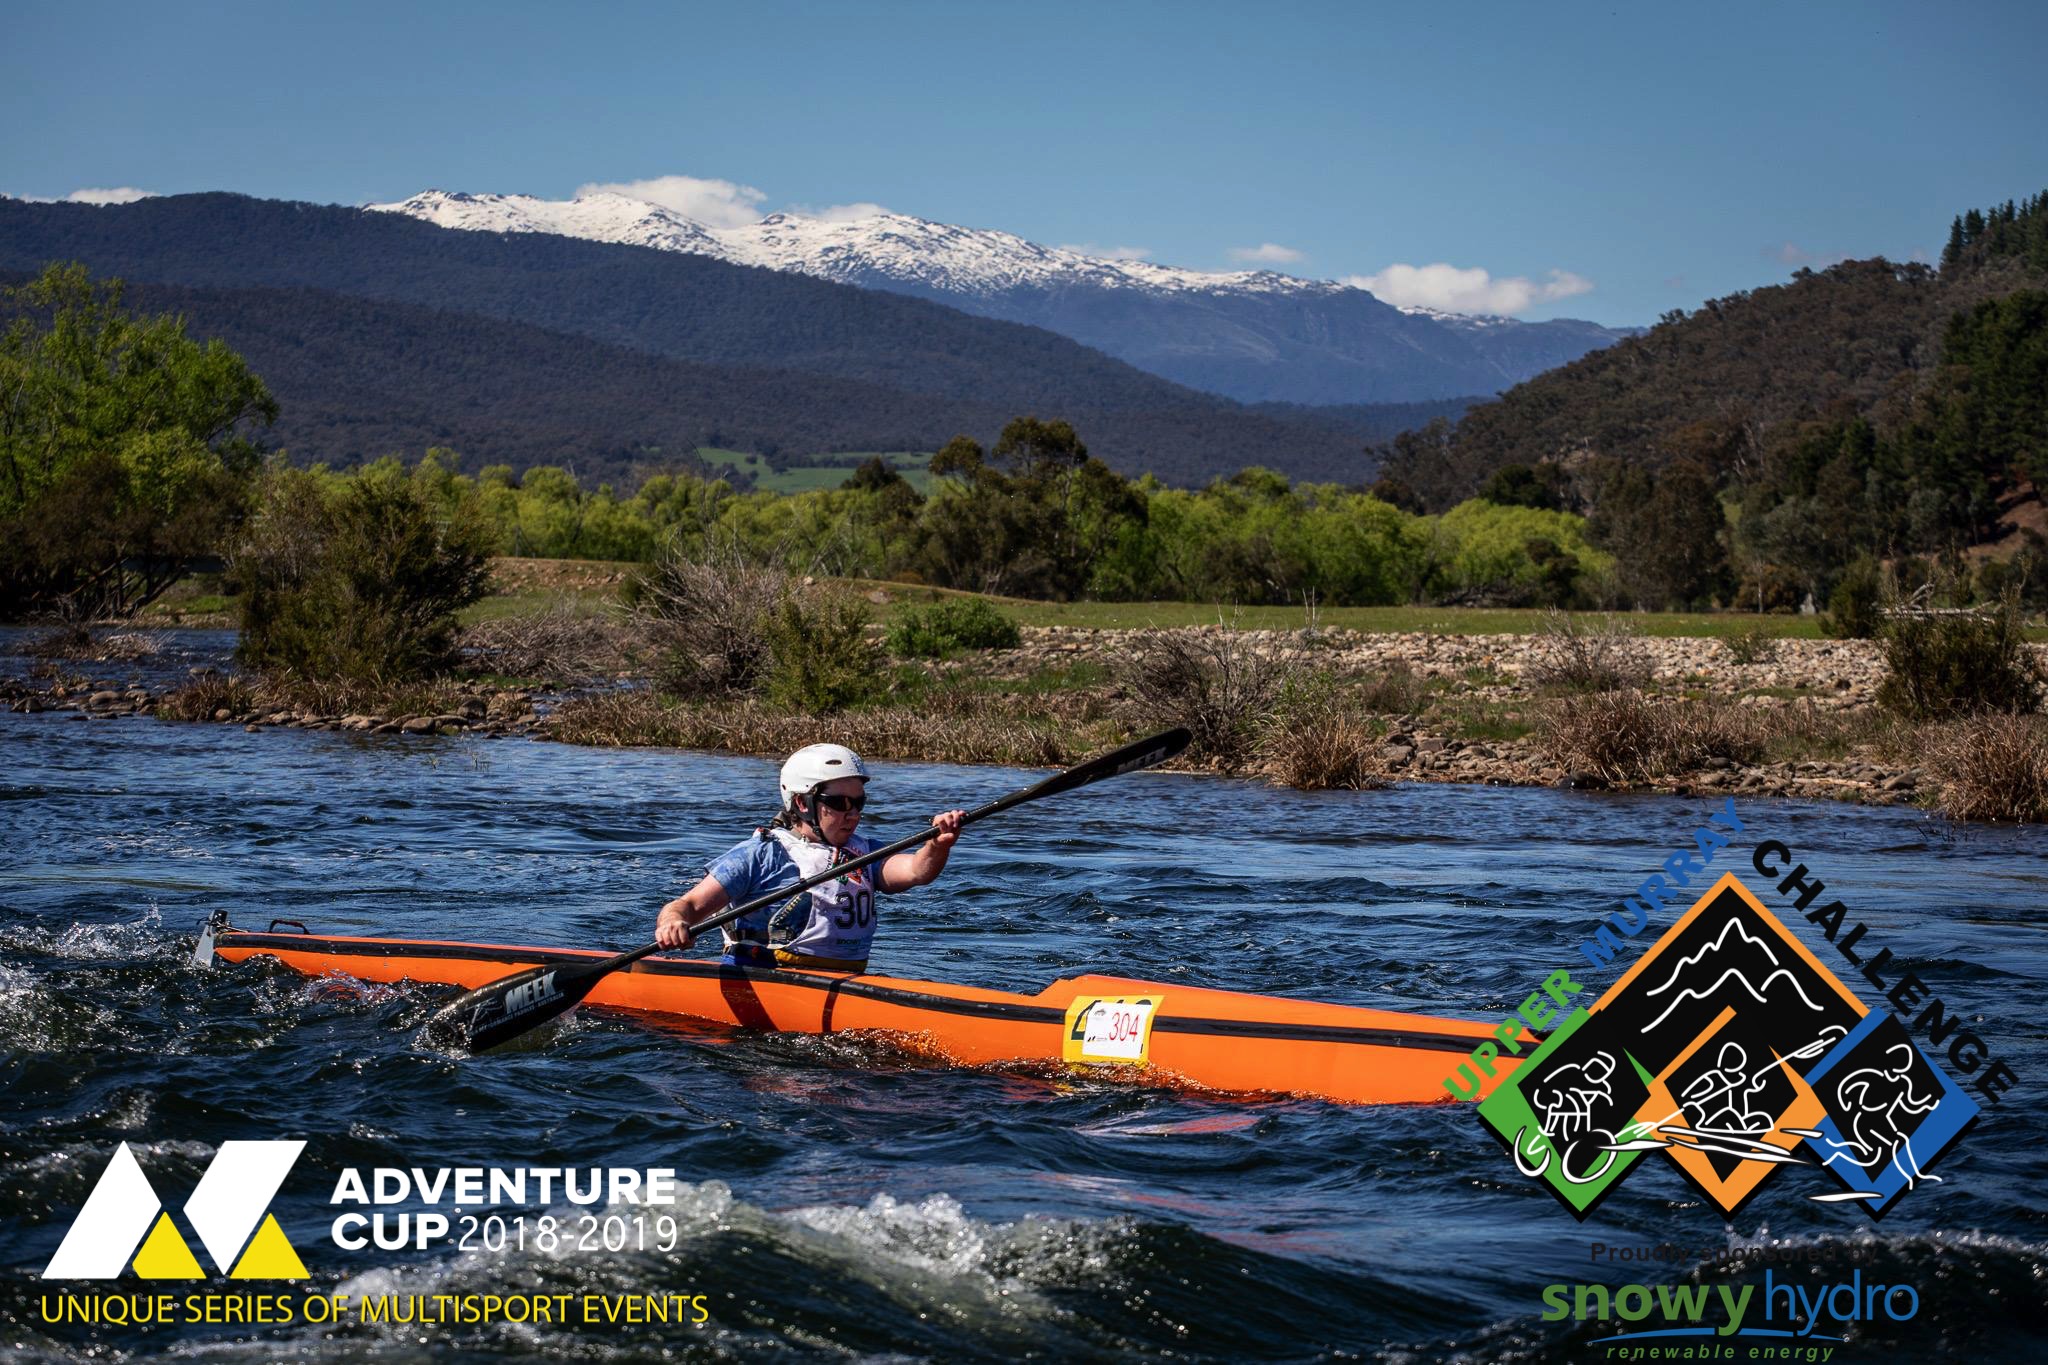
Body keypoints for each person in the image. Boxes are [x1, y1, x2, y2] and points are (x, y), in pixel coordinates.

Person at [653, 744, 964, 971]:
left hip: (844, 978)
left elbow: (915, 871)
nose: (852, 813)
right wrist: (673, 923)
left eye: (859, 802)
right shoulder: (761, 855)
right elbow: (689, 905)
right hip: (765, 977)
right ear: (802, 803)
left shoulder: (865, 851)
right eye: (840, 802)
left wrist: (938, 845)